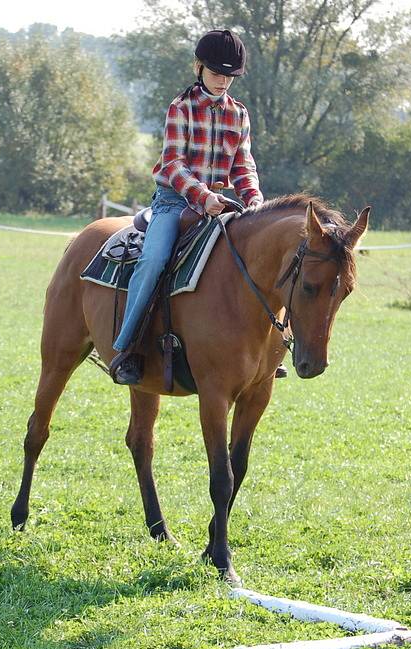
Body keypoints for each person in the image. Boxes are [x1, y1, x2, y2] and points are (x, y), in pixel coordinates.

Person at [110, 29, 271, 386]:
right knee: (153, 262)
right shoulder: (180, 108)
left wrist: (255, 201)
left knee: (260, 261)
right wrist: (203, 197)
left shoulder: (239, 115)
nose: (223, 81)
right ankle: (127, 348)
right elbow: (172, 165)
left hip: (222, 204)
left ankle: (268, 351)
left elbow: (243, 167)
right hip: (174, 201)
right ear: (198, 68)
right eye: (216, 73)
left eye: (229, 75)